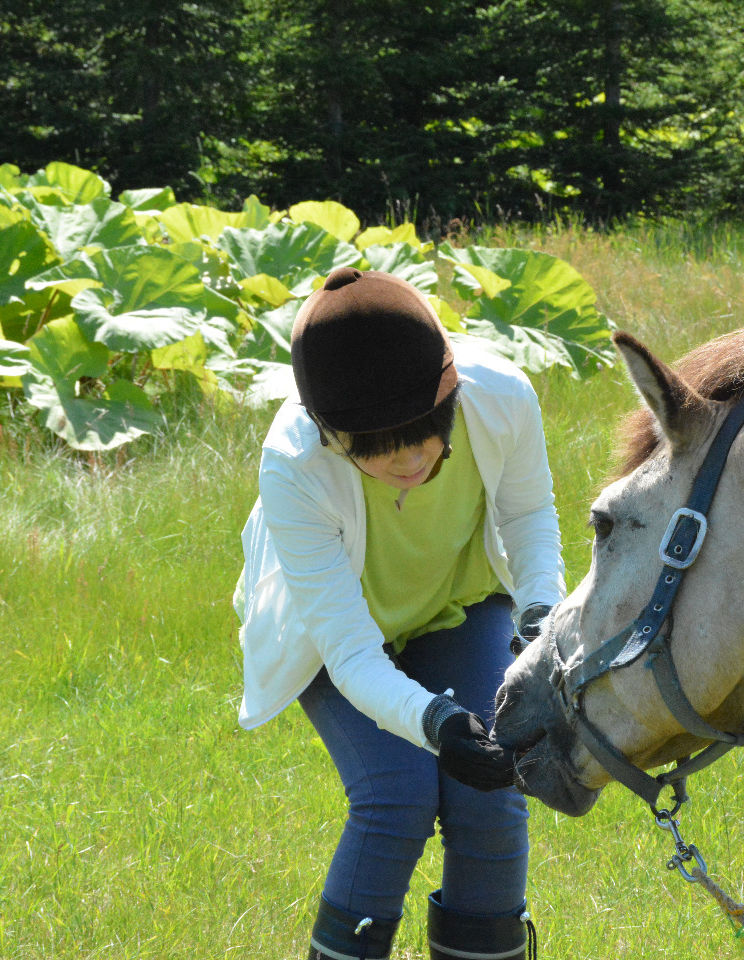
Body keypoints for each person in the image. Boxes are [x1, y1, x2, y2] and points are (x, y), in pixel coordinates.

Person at [233, 266, 564, 960]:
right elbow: (352, 653)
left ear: (451, 393)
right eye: (376, 448)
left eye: (425, 431)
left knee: (493, 792)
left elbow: (529, 514)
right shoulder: (292, 464)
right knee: (397, 796)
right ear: (329, 433)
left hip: (457, 607)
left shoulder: (502, 395)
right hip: (336, 640)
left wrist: (540, 621)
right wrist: (436, 723)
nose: (409, 458)